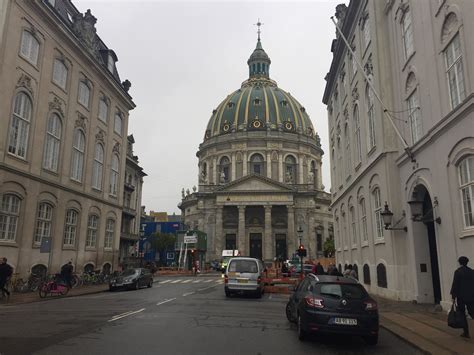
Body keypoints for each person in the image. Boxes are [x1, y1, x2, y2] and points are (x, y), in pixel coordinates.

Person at [450, 256, 474, 338]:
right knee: (472, 312)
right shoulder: (472, 271)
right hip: (471, 295)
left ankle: (466, 332)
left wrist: (453, 295)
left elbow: (455, 284)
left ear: (460, 262)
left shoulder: (458, 272)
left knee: (462, 314)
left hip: (461, 296)